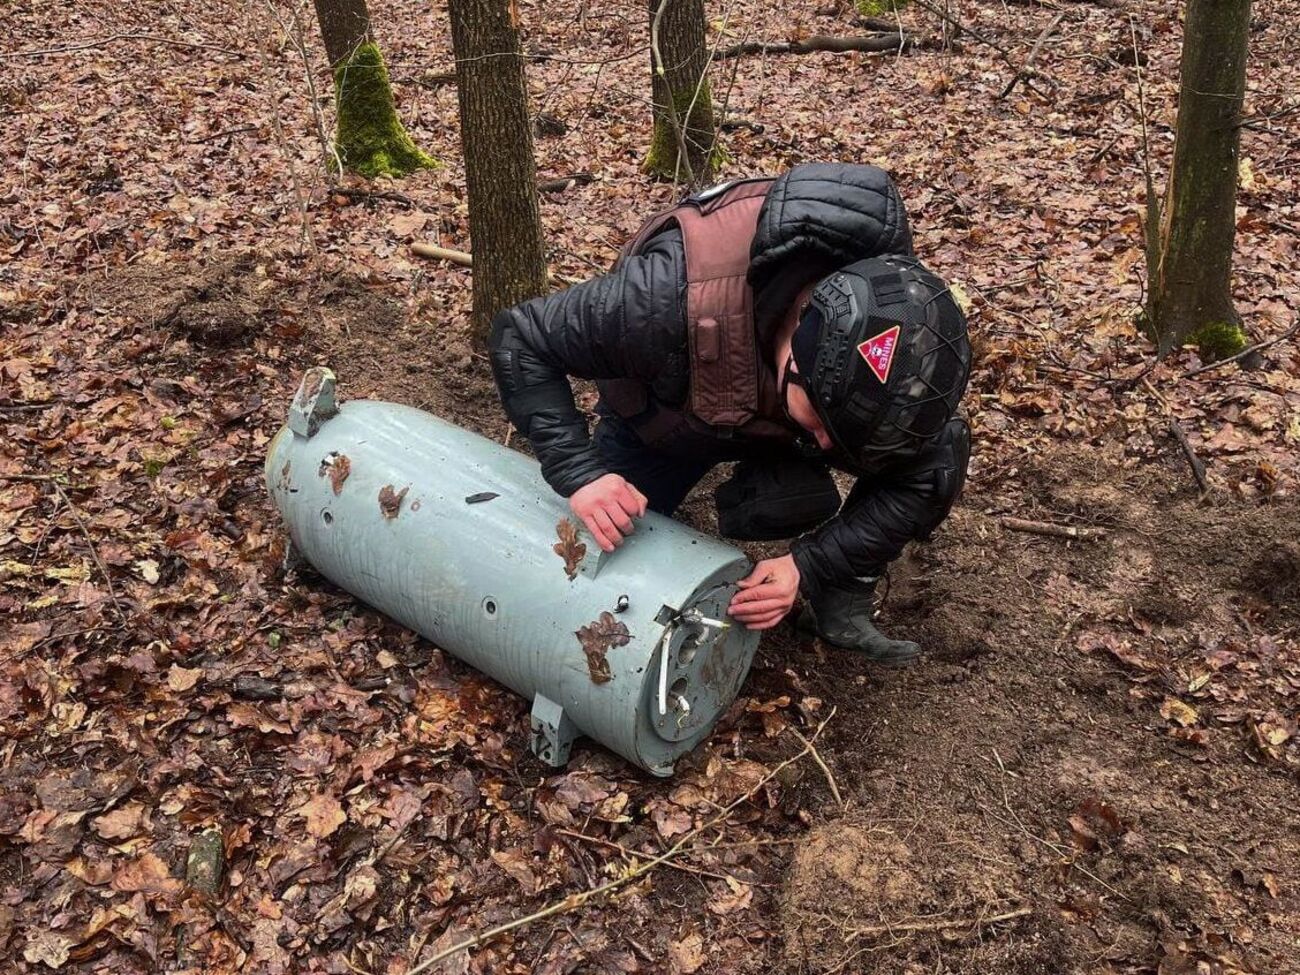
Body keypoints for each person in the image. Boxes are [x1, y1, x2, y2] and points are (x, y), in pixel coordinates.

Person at [489, 163, 971, 663]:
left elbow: (925, 467)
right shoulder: (661, 298)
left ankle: (840, 597)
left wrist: (807, 565)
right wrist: (581, 474)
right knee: (602, 544)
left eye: (836, 432)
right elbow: (520, 338)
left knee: (932, 464)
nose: (828, 446)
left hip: (771, 409)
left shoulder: (896, 314)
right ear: (798, 357)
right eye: (825, 424)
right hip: (675, 405)